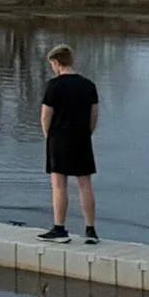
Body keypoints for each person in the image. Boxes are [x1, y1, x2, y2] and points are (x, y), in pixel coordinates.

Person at [38, 43, 99, 243]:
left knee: (59, 185)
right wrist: (86, 133)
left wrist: (49, 136)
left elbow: (46, 116)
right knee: (85, 184)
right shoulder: (89, 85)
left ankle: (59, 229)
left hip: (59, 138)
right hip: (82, 137)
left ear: (56, 63)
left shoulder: (54, 86)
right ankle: (90, 230)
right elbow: (94, 116)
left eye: (52, 65)